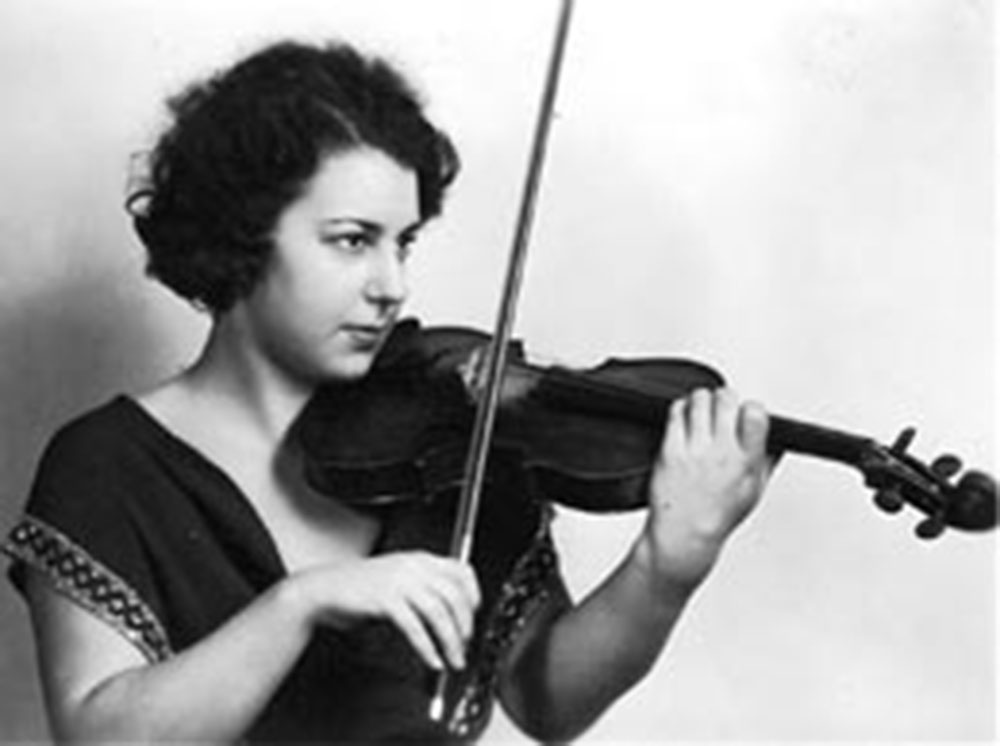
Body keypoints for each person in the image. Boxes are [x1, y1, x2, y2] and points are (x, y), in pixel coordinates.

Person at [3, 39, 772, 744]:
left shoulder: (449, 441)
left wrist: (666, 569)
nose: (392, 286)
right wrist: (300, 604)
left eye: (403, 243)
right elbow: (99, 736)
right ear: (241, 235)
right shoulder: (107, 465)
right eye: (351, 241)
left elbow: (548, 703)